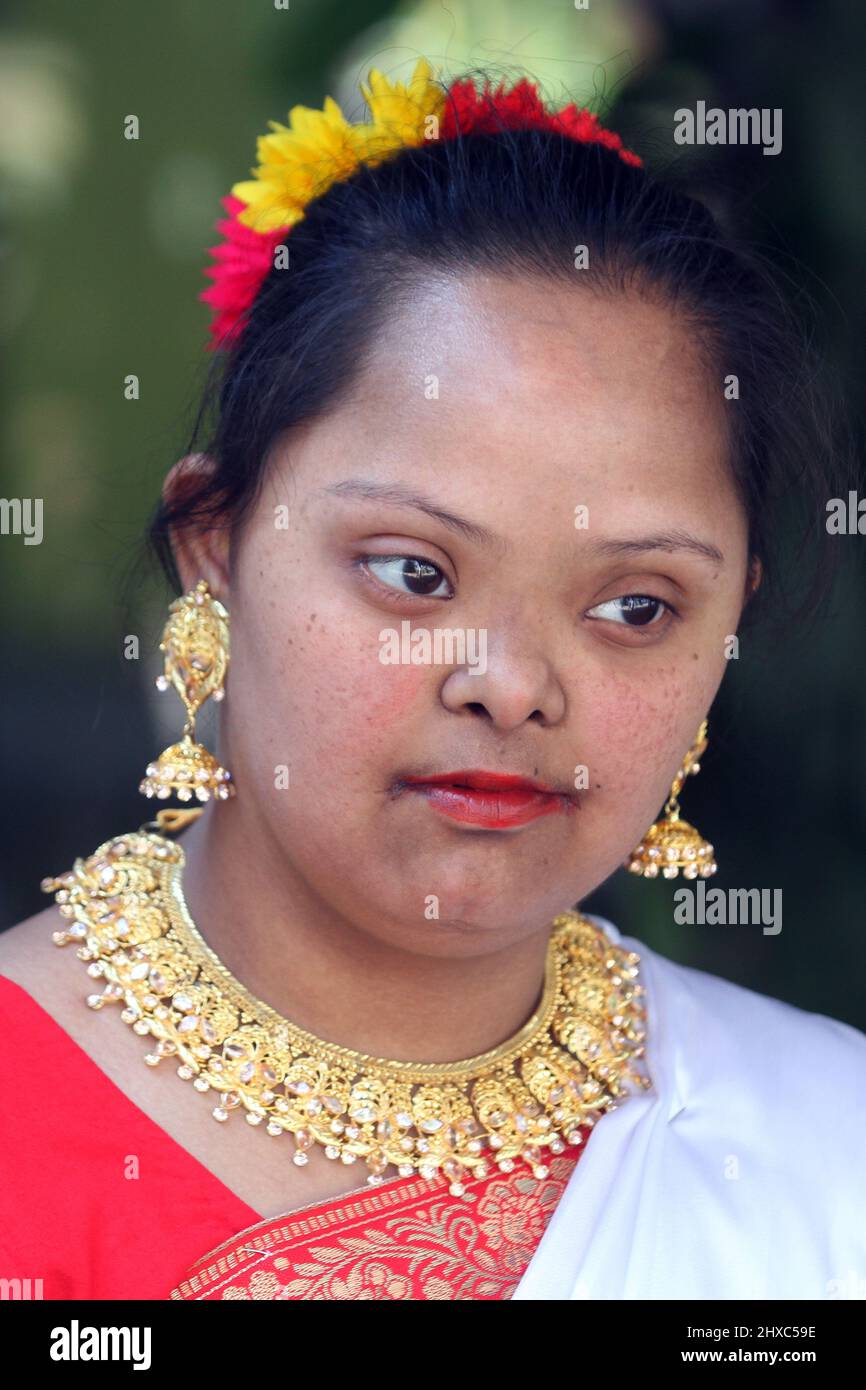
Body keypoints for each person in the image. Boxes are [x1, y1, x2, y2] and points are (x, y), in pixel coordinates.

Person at [1, 58, 863, 1302]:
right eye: (412, 572)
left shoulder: (814, 1151)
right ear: (215, 550)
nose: (510, 686)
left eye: (634, 605)